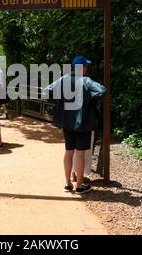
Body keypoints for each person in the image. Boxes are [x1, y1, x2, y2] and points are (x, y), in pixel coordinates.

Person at [43, 55, 106, 195]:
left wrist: (59, 102)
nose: (87, 68)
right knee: (80, 153)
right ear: (82, 67)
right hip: (83, 122)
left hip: (66, 121)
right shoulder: (86, 81)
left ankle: (67, 184)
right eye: (86, 66)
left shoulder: (63, 80)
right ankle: (79, 186)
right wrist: (90, 102)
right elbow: (102, 91)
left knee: (69, 151)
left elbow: (46, 91)